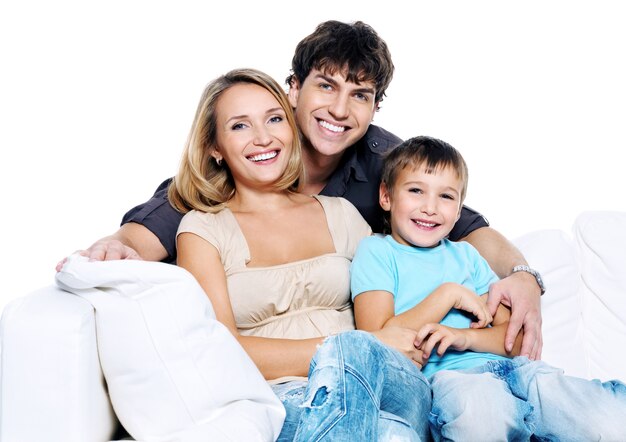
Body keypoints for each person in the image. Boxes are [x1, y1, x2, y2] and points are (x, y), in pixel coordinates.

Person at [60, 20, 544, 359]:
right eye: (325, 86)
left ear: (376, 106)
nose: (339, 109)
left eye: (360, 95)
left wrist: (522, 276)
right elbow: (154, 227)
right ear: (294, 88)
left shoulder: (386, 164)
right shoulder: (245, 158)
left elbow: (466, 225)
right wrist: (114, 247)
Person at [170, 67, 432, 440]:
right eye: (240, 126)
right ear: (214, 147)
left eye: (274, 119)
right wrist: (342, 349)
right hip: (282, 395)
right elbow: (223, 349)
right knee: (392, 435)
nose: (263, 138)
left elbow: (408, 286)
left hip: (388, 381)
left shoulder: (340, 214)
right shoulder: (203, 230)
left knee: (356, 354)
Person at [350, 135, 626, 440]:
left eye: (446, 197)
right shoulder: (376, 252)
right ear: (386, 197)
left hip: (518, 372)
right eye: (416, 191)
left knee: (609, 418)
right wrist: (448, 295)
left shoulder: (467, 256)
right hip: (453, 381)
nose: (430, 207)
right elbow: (377, 341)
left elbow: (516, 340)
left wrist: (463, 337)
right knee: (481, 414)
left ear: (458, 211)